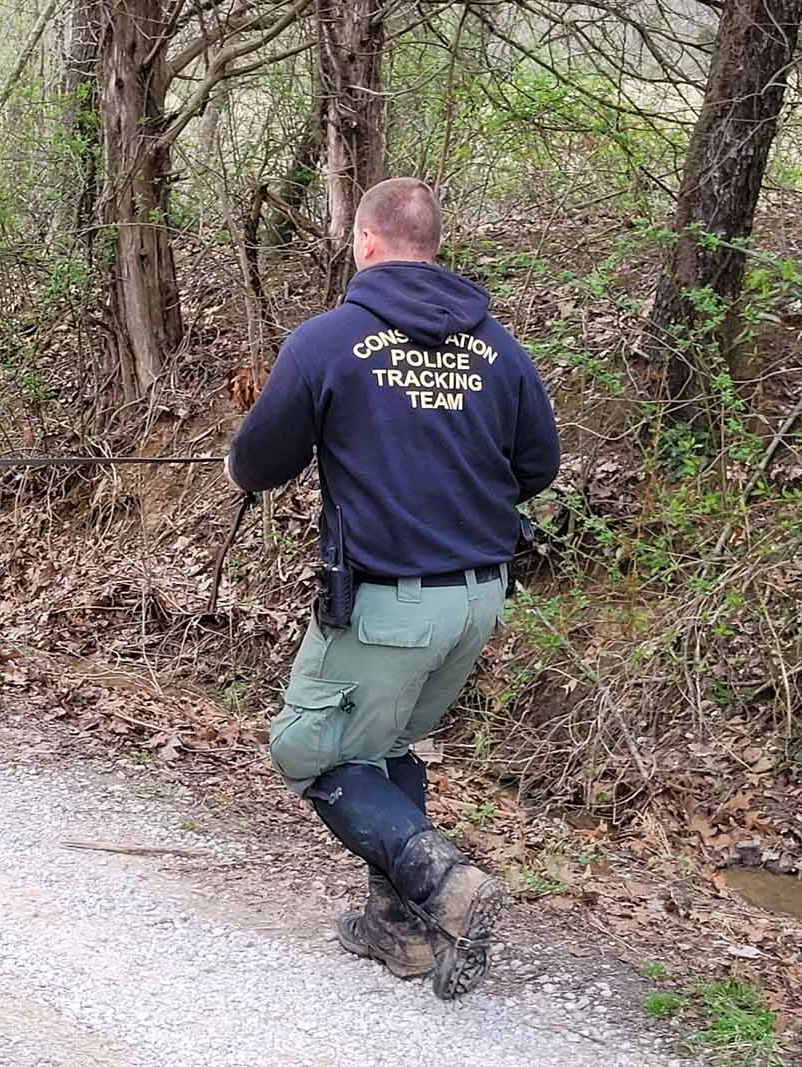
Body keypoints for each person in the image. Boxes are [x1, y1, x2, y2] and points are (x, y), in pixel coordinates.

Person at [225, 177, 560, 1000]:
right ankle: (397, 929)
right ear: (431, 245)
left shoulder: (328, 341)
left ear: (365, 243)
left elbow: (258, 463)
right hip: (478, 598)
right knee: (385, 746)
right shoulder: (497, 346)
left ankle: (445, 886)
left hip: (389, 607)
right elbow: (538, 466)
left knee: (306, 748)